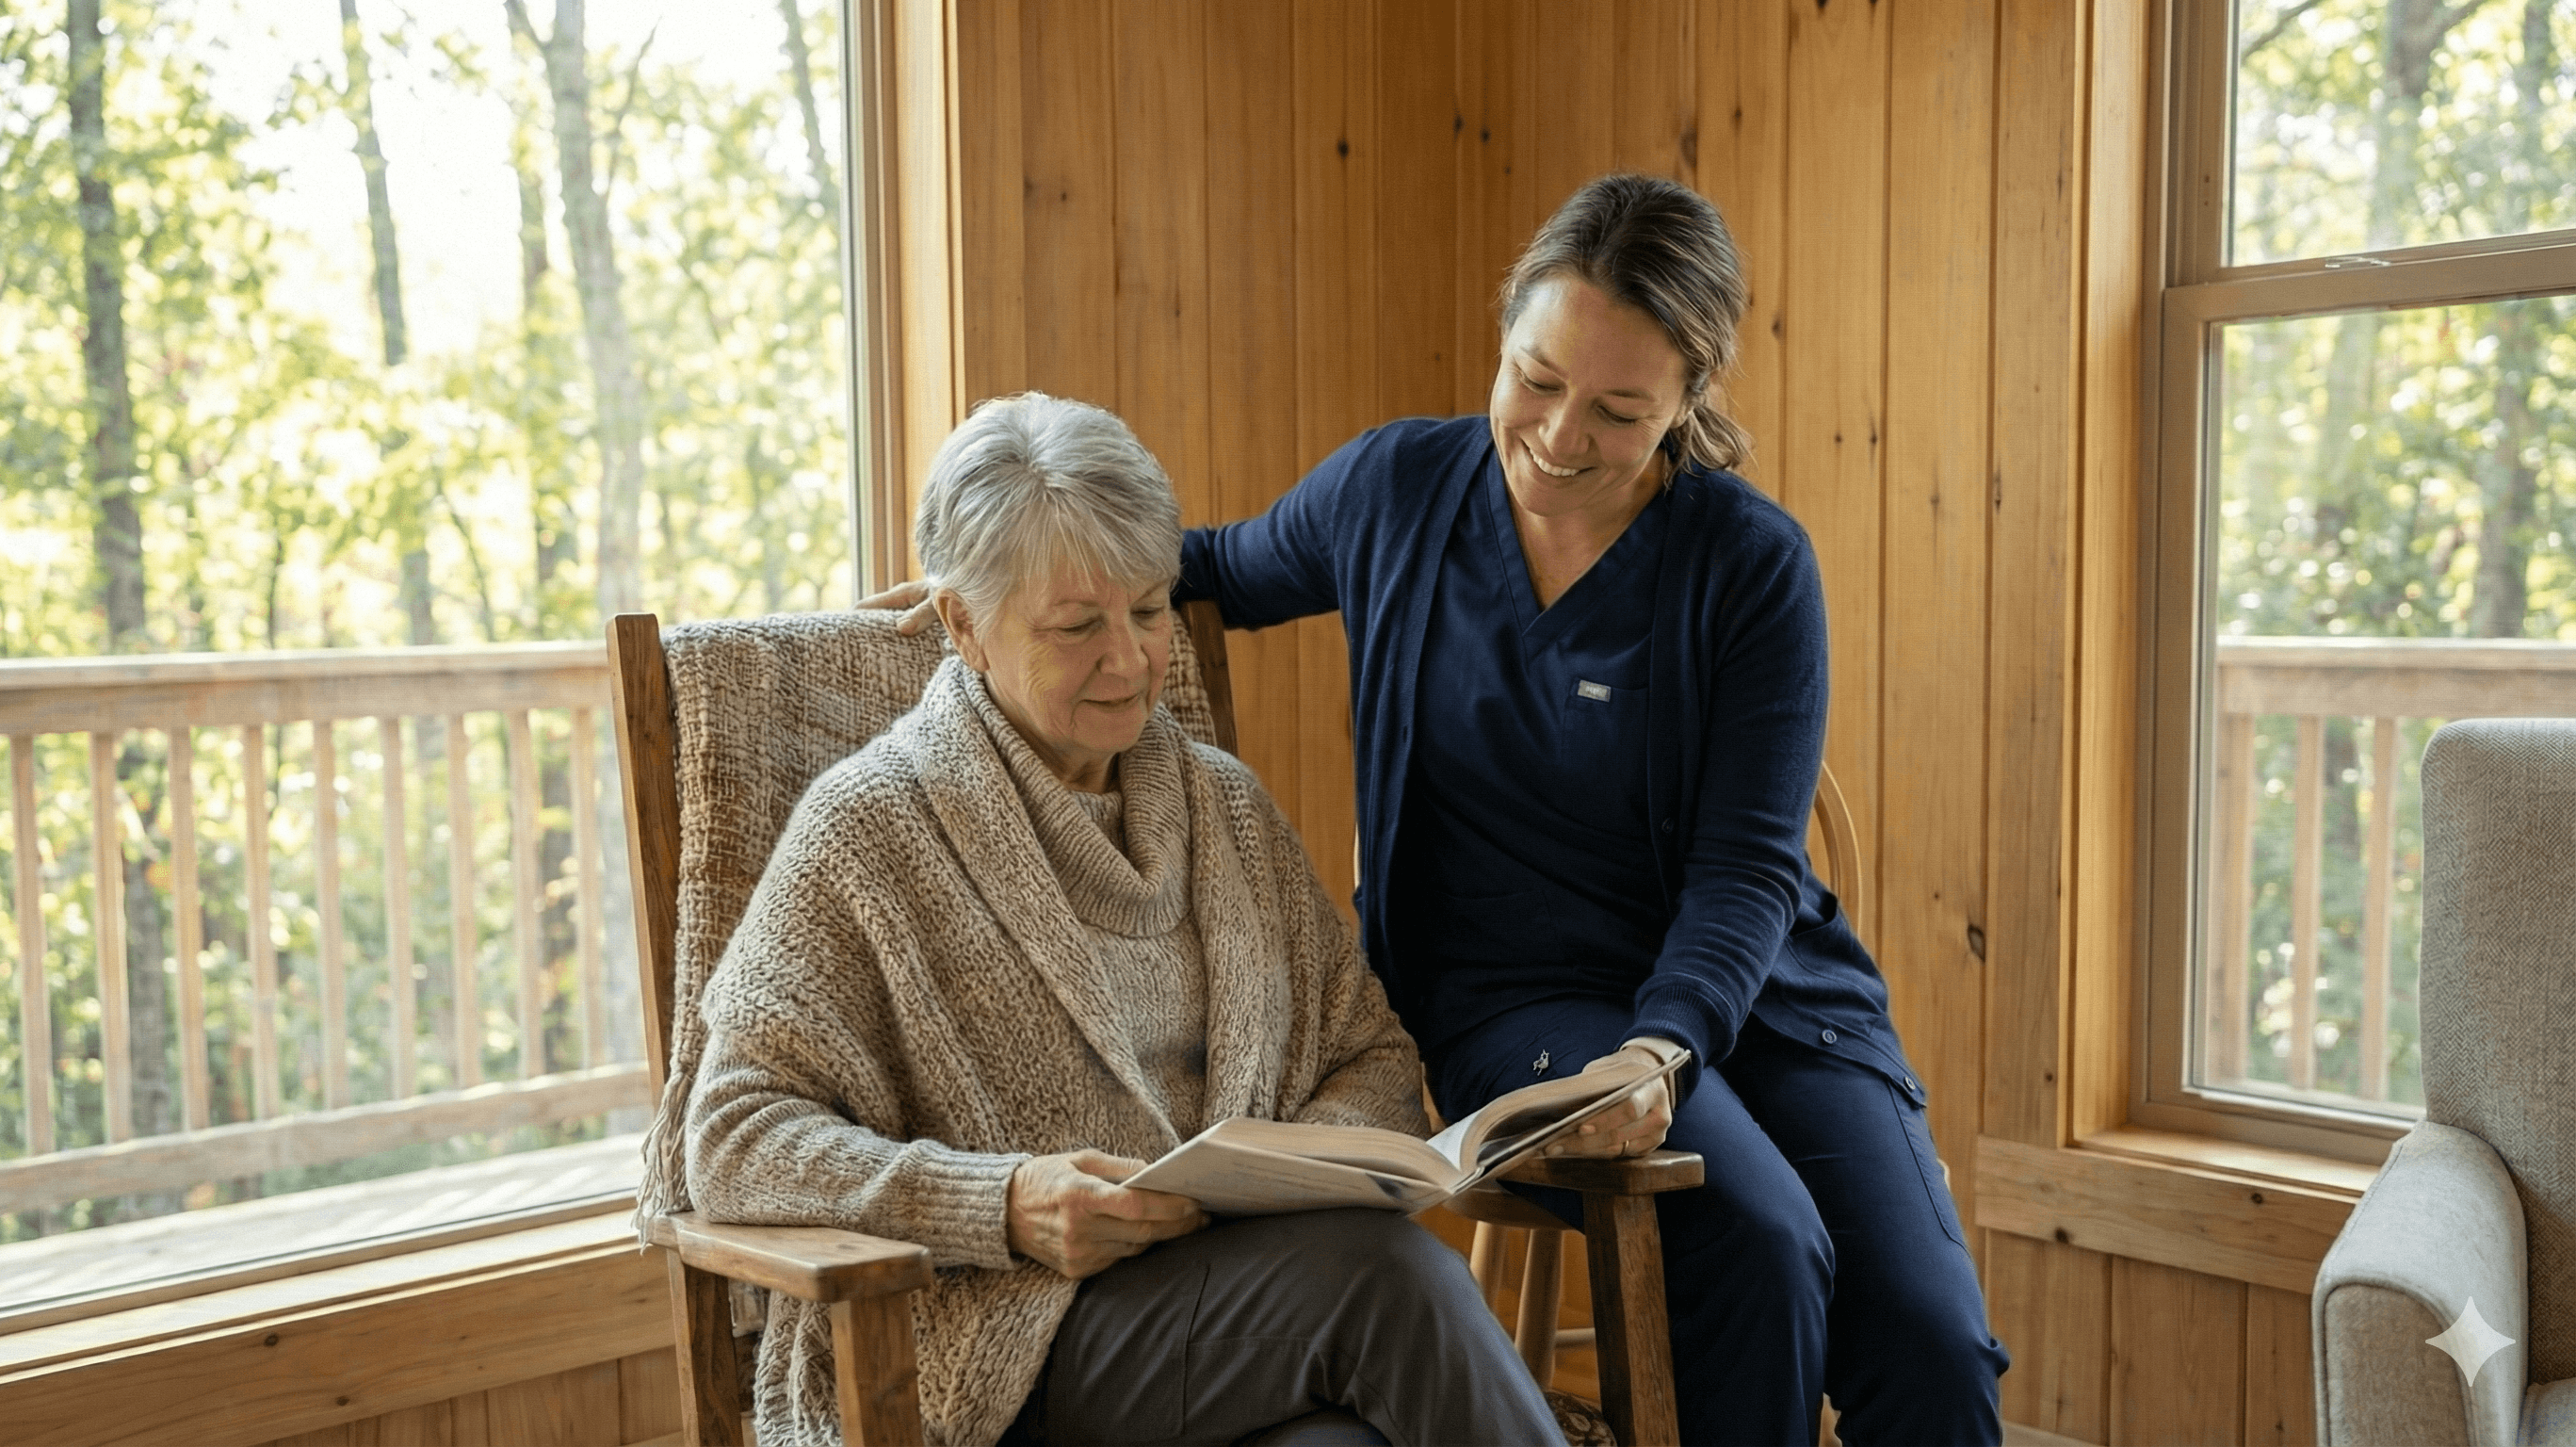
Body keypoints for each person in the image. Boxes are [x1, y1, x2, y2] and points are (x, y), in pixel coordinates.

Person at [1175, 174, 2008, 1443]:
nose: (1561, 436)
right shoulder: (1395, 492)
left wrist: (1663, 1048)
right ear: (1505, 333)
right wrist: (1008, 570)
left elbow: (1744, 871)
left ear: (1689, 402)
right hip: (1515, 1003)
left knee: (1931, 1337)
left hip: (1760, 998)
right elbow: (1210, 567)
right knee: (1763, 1241)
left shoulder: (1752, 567)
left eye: (1621, 410)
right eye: (1536, 377)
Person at [658, 392, 1568, 1447]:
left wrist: (1282, 1171)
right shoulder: (869, 829)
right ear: (963, 625)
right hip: (1009, 1343)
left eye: (1146, 609)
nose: (1133, 660)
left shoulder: (1226, 808)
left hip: (1246, 1315)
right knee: (1398, 1283)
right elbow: (728, 1139)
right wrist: (999, 1204)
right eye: (1078, 626)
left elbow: (1368, 1055)